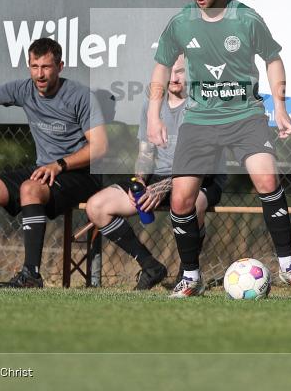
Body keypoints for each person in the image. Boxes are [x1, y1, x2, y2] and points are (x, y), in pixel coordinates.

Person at [147, 0, 291, 298]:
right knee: (181, 201)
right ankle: (191, 277)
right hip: (200, 120)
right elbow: (162, 67)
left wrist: (280, 106)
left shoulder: (246, 19)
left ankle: (288, 267)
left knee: (267, 178)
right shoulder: (181, 22)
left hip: (245, 116)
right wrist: (153, 114)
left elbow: (273, 59)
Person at [0, 38, 107, 288]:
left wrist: (60, 164)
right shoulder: (24, 89)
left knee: (29, 189)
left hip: (81, 174)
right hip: (45, 170)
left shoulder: (80, 95)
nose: (40, 74)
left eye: (46, 67)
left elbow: (99, 147)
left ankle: (31, 276)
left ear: (60, 66)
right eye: (34, 66)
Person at [84, 55, 225, 289]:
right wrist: (139, 182)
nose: (173, 77)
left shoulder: (205, 105)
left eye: (180, 71)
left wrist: (164, 187)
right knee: (96, 206)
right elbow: (146, 153)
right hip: (161, 178)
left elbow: (204, 164)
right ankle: (151, 266)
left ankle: (188, 276)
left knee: (190, 201)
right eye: (169, 72)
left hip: (203, 179)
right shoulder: (151, 106)